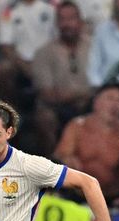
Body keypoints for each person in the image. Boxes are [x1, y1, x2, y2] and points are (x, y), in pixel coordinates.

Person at [54, 80, 119, 214]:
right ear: (96, 102)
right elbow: (60, 155)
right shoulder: (77, 126)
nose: (115, 104)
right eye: (110, 98)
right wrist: (68, 160)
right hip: (76, 195)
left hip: (109, 199)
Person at [31, 0, 93, 155]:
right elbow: (47, 94)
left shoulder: (95, 47)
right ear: (57, 23)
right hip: (58, 108)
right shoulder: (43, 53)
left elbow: (104, 83)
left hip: (90, 105)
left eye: (71, 18)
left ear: (80, 21)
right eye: (62, 19)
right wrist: (81, 94)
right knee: (44, 118)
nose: (67, 24)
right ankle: (53, 164)